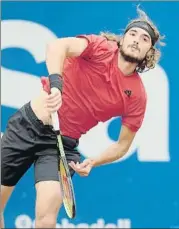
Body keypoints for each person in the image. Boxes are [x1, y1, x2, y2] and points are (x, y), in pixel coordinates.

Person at [0, 6, 165, 228]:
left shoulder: (136, 95)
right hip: (28, 125)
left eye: (144, 39)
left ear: (150, 51)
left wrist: (94, 162)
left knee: (46, 216)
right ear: (123, 38)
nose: (136, 40)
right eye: (133, 34)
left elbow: (122, 144)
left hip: (60, 146)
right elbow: (58, 46)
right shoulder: (99, 48)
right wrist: (56, 85)